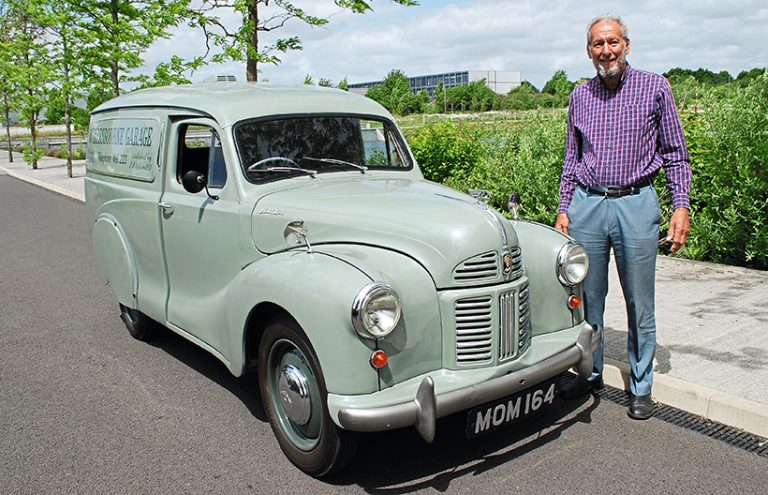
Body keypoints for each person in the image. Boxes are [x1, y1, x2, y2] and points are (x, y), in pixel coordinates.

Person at [555, 14, 692, 420]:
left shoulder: (655, 87)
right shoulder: (580, 95)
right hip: (588, 204)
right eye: (598, 44)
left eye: (613, 42)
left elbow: (675, 153)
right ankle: (590, 371)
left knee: (639, 301)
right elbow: (571, 158)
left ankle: (641, 384)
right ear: (589, 51)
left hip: (636, 203)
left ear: (626, 45)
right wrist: (564, 207)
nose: (606, 50)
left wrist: (680, 205)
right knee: (587, 299)